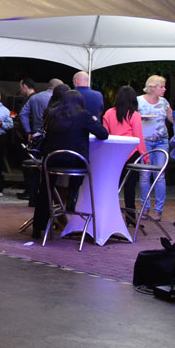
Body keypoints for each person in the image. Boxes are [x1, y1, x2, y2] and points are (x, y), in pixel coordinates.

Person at [31, 90, 108, 238]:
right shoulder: (84, 116)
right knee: (77, 180)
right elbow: (103, 134)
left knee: (46, 189)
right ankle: (72, 201)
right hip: (76, 162)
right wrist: (94, 120)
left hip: (52, 160)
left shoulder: (53, 114)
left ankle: (38, 227)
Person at [102, 86, 145, 225]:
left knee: (112, 186)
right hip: (131, 153)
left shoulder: (108, 113)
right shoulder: (134, 115)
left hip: (113, 153)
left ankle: (109, 216)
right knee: (129, 187)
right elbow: (138, 137)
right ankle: (130, 218)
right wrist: (145, 155)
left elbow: (105, 134)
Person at [136, 75, 172, 222]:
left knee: (160, 176)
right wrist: (139, 118)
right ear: (152, 87)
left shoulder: (164, 102)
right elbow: (130, 118)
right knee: (145, 176)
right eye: (161, 86)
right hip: (145, 142)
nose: (164, 89)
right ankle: (145, 208)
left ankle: (158, 210)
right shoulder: (139, 101)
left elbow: (173, 119)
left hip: (162, 141)